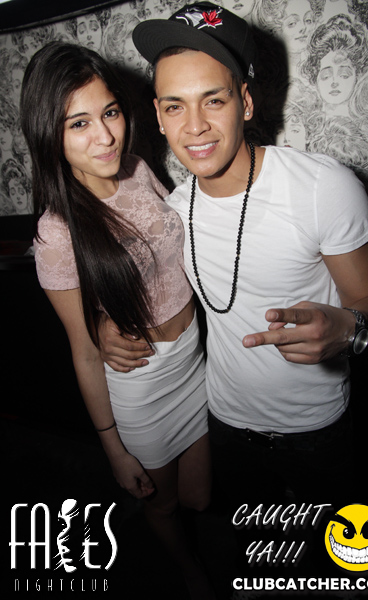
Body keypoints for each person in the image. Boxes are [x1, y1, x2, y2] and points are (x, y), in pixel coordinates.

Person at [99, 0, 368, 588]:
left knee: (344, 561)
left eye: (214, 99)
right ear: (157, 116)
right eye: (175, 106)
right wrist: (109, 324)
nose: (195, 126)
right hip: (227, 426)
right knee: (258, 558)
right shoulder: (172, 211)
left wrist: (350, 328)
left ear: (247, 102)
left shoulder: (322, 188)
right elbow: (159, 299)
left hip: (318, 430)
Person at [20, 41, 214, 600]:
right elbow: (83, 350)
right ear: (49, 134)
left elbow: (178, 242)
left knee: (200, 496)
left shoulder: (136, 169)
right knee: (163, 502)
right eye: (78, 123)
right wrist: (114, 450)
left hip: (195, 358)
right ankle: (188, 570)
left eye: (109, 112)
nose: (105, 136)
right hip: (144, 383)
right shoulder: (57, 232)